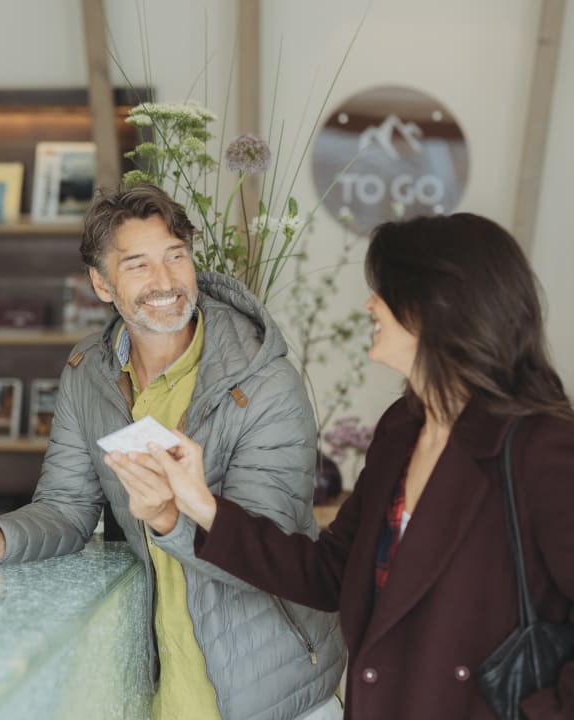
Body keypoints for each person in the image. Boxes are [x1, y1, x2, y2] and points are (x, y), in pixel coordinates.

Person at [0, 184, 346, 720]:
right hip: (160, 684)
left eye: (176, 257)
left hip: (271, 688)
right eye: (138, 266)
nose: (166, 282)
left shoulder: (265, 382)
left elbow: (266, 552)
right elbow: (66, 506)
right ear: (102, 284)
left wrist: (171, 518)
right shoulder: (91, 373)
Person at [142, 213, 574, 718]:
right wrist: (202, 506)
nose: (370, 303)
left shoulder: (542, 449)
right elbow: (329, 573)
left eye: (384, 291)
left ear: (437, 306)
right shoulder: (402, 429)